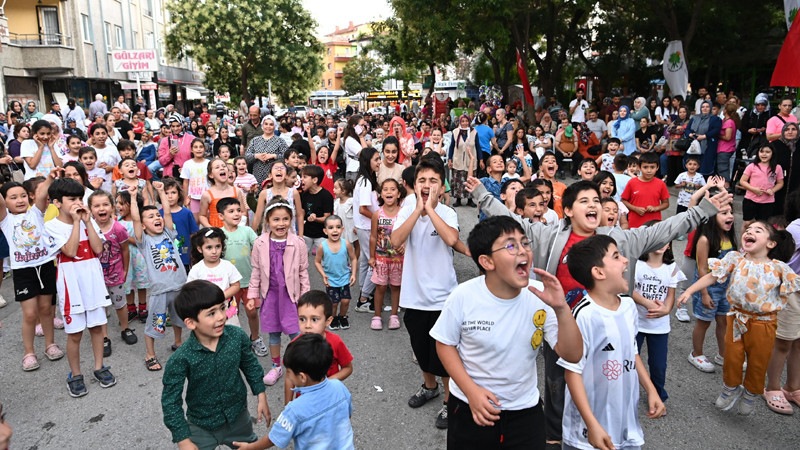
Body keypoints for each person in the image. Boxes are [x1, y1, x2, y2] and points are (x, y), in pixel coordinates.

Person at [466, 177, 729, 447]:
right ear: (567, 210)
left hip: (606, 331)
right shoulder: (549, 235)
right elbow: (512, 222)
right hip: (562, 330)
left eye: (596, 201)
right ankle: (555, 437)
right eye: (584, 201)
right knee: (557, 385)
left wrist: (702, 210)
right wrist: (481, 195)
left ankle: (601, 430)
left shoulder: (618, 240)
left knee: (604, 383)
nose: (593, 205)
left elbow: (663, 230)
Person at [431, 216, 581, 448]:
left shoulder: (541, 294)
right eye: (510, 245)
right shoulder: (464, 295)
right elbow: (444, 343)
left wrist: (561, 309)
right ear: (487, 262)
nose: (523, 251)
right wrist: (471, 392)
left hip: (524, 410)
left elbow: (572, 355)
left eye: (525, 243)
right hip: (469, 407)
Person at [679, 222, 800, 415]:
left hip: (765, 323)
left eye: (758, 231)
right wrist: (689, 291)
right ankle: (730, 388)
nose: (750, 231)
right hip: (736, 319)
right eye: (749, 229)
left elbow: (796, 287)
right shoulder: (735, 258)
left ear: (771, 244)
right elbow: (712, 276)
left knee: (758, 362)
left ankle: (751, 393)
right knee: (732, 358)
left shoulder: (779, 268)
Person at [561, 235, 665, 450]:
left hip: (624, 424)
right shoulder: (584, 315)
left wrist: (651, 389)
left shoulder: (628, 306)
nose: (626, 260)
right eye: (616, 256)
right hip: (588, 432)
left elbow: (632, 352)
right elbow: (572, 372)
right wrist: (592, 425)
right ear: (598, 272)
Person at [391, 157, 460, 429]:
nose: (427, 185)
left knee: (443, 354)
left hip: (444, 298)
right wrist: (417, 208)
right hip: (414, 297)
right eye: (422, 181)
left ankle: (449, 401)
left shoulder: (447, 212)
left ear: (442, 187)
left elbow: (452, 239)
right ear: (414, 185)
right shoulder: (408, 207)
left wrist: (430, 209)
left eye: (433, 181)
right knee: (420, 348)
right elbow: (395, 240)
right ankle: (429, 387)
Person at [161, 280, 268, 449]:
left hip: (238, 418)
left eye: (222, 307)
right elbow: (170, 401)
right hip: (201, 426)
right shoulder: (180, 358)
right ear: (191, 323)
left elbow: (250, 365)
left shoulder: (237, 336)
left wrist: (261, 393)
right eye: (211, 313)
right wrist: (183, 439)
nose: (221, 316)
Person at [45, 178, 115, 396]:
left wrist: (86, 223)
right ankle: (75, 374)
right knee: (75, 333)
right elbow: (70, 251)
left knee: (96, 327)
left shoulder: (89, 221)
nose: (77, 203)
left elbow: (97, 248)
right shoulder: (51, 226)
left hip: (93, 279)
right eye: (71, 199)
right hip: (71, 283)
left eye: (79, 198)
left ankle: (99, 367)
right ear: (57, 202)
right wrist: (76, 223)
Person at [234, 333, 354, 450]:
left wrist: (250, 447)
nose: (289, 377)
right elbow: (347, 415)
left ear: (302, 377)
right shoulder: (339, 387)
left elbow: (273, 438)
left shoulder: (295, 409)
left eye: (289, 373)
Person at [0, 174, 63, 371]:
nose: (19, 200)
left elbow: (42, 191)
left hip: (45, 265)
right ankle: (29, 352)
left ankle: (50, 345)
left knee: (47, 310)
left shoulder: (36, 212)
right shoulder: (5, 220)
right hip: (23, 271)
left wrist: (51, 177)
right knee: (29, 314)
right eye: (13, 197)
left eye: (22, 196)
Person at [247, 197, 310, 386]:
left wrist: (306, 298)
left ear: (291, 220)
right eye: (276, 219)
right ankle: (276, 366)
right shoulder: (260, 243)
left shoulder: (298, 243)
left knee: (296, 333)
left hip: (292, 296)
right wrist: (252, 295)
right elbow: (256, 271)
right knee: (273, 332)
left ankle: (300, 366)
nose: (280, 223)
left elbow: (303, 272)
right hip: (271, 295)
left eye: (285, 219)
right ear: (267, 221)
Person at [130, 182, 188, 372]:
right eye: (150, 216)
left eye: (157, 215)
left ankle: (179, 343)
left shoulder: (168, 233)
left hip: (179, 286)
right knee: (156, 321)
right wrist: (132, 197)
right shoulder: (144, 240)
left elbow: (168, 213)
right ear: (144, 225)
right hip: (160, 291)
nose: (157, 218)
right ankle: (150, 354)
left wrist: (161, 192)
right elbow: (136, 220)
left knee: (179, 318)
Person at [632, 228, 686, 402]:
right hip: (636, 323)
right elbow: (628, 291)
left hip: (660, 326)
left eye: (666, 240)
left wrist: (667, 309)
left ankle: (657, 396)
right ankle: (629, 393)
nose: (662, 243)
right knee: (631, 361)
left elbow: (671, 295)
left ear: (669, 245)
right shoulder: (636, 265)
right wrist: (647, 303)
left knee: (658, 365)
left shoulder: (671, 268)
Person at [684, 198, 736, 373]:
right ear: (712, 216)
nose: (730, 216)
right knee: (703, 322)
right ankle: (696, 353)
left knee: (723, 322)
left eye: (730, 212)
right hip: (708, 288)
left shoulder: (729, 237)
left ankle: (723, 354)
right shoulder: (705, 239)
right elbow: (701, 267)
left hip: (725, 289)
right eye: (724, 213)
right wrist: (704, 293)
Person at [283, 291, 354, 404]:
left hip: (330, 399)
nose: (307, 325)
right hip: (304, 402)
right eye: (302, 319)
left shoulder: (335, 342)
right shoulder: (294, 345)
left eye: (314, 319)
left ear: (328, 321)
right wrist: (288, 405)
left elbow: (348, 368)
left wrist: (325, 384)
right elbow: (289, 375)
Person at [88, 190, 136, 349]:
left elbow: (124, 250)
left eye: (105, 204)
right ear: (90, 209)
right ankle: (104, 336)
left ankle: (125, 328)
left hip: (115, 275)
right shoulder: (87, 228)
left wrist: (125, 270)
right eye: (96, 205)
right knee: (101, 306)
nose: (101, 208)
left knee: (120, 304)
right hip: (96, 276)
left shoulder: (119, 228)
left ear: (112, 207)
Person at [217, 197, 265, 353]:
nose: (236, 214)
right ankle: (232, 340)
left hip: (249, 281)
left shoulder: (247, 231)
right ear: (221, 216)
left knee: (252, 312)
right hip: (230, 285)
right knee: (231, 314)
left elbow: (260, 247)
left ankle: (255, 338)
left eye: (238, 210)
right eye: (231, 211)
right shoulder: (219, 235)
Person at [369, 178, 405, 331]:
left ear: (398, 194)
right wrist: (371, 257)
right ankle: (377, 316)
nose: (389, 192)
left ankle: (394, 315)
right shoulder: (377, 214)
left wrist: (404, 245)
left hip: (399, 259)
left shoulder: (404, 214)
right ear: (381, 194)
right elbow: (373, 237)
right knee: (381, 287)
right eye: (385, 189)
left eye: (392, 189)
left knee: (396, 287)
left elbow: (408, 234)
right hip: (381, 258)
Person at [188, 227, 242, 326]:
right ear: (200, 249)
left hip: (228, 313)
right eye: (209, 247)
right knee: (211, 339)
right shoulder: (196, 269)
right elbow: (191, 290)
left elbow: (236, 285)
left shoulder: (227, 266)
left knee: (232, 338)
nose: (214, 251)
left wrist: (221, 297)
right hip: (206, 314)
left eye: (218, 246)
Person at [353, 148, 381, 313]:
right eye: (376, 159)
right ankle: (364, 298)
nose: (379, 162)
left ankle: (364, 291)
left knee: (365, 259)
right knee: (373, 260)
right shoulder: (365, 182)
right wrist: (381, 220)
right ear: (367, 161)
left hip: (364, 226)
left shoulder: (365, 179)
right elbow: (363, 209)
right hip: (366, 226)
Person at [740, 144, 784, 230]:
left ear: (772, 154)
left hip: (767, 202)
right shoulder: (752, 166)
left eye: (767, 152)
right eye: (762, 151)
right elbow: (742, 181)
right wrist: (753, 189)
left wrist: (773, 190)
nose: (764, 154)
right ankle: (743, 242)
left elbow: (780, 183)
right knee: (747, 223)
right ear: (758, 153)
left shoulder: (777, 167)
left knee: (762, 226)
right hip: (750, 199)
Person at [620, 152, 669, 228]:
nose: (649, 171)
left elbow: (666, 203)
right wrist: (635, 209)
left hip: (654, 224)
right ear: (639, 167)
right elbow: (623, 200)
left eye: (652, 167)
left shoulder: (660, 183)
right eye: (645, 167)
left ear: (657, 167)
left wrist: (656, 208)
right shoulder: (632, 182)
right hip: (635, 224)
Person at [300, 164, 334, 256]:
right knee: (299, 259)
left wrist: (316, 219)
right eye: (301, 176)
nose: (301, 179)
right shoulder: (304, 195)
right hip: (306, 233)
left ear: (315, 180)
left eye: (305, 177)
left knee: (325, 261)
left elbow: (327, 218)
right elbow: (302, 213)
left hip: (321, 235)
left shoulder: (326, 196)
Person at [245, 115, 287, 191]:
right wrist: (256, 156)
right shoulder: (255, 140)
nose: (268, 126)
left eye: (271, 124)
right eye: (266, 124)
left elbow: (287, 157)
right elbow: (247, 157)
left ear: (275, 126)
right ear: (262, 125)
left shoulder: (280, 141)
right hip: (258, 174)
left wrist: (274, 156)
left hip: (274, 176)